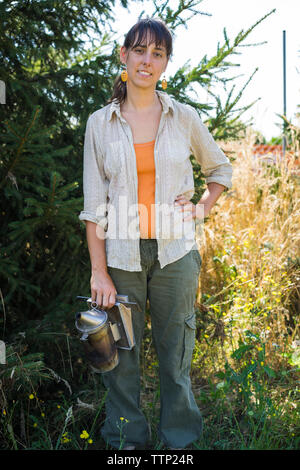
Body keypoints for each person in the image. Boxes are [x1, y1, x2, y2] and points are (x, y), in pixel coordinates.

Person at [78, 18, 232, 450]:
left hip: (176, 256)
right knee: (121, 362)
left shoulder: (183, 118)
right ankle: (126, 446)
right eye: (140, 51)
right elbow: (93, 207)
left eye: (157, 54)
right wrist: (99, 273)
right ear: (123, 55)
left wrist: (201, 207)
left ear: (165, 63)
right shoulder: (100, 124)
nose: (147, 61)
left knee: (176, 358)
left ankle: (179, 446)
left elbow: (219, 169)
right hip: (122, 259)